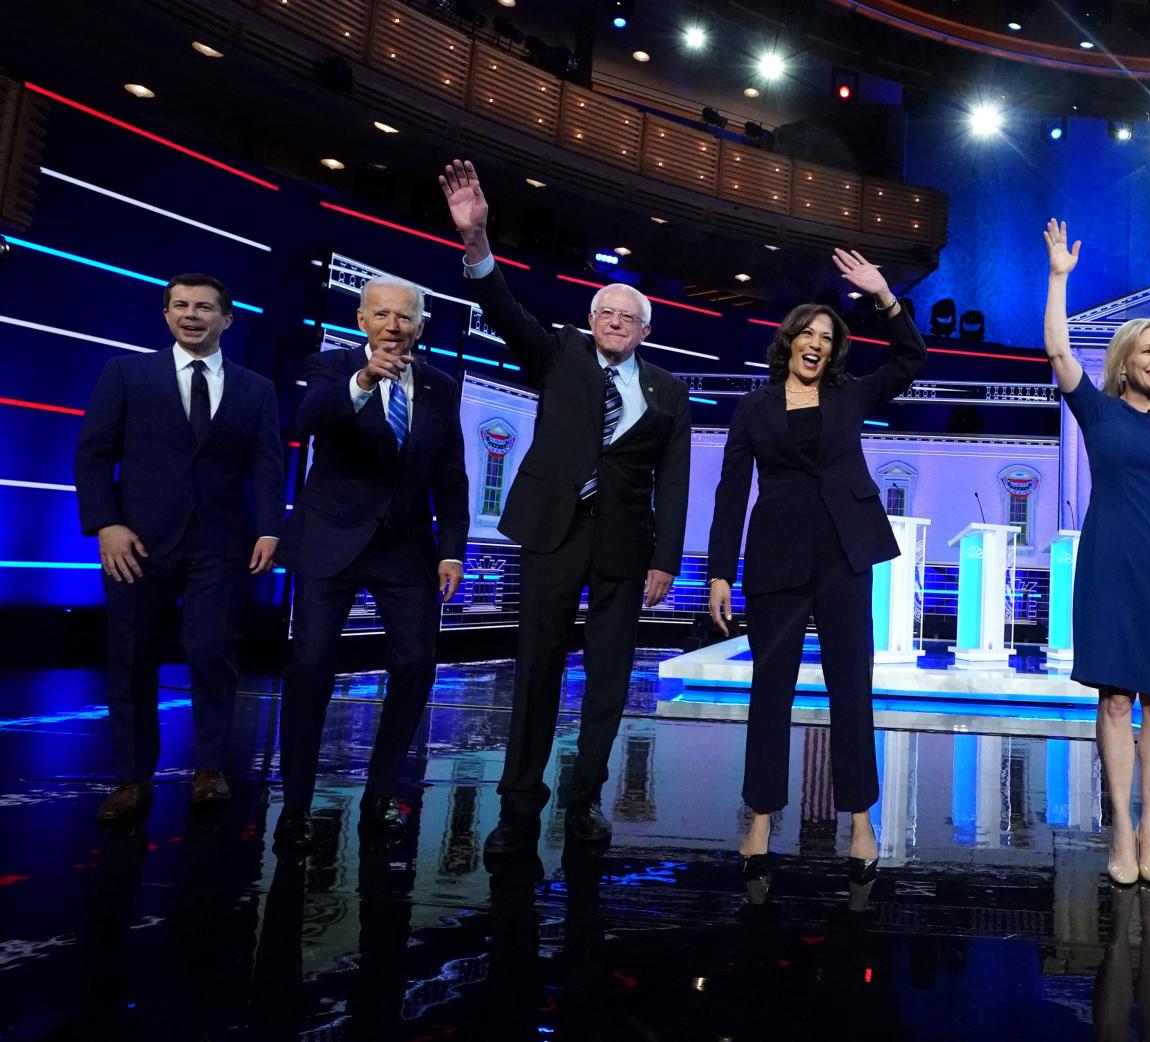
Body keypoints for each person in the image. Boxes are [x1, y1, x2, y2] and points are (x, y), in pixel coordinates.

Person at [439, 160, 691, 854]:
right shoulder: (559, 357)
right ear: (591, 321)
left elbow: (674, 478)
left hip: (623, 546)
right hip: (551, 531)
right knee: (538, 669)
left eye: (627, 318)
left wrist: (666, 559)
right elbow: (503, 310)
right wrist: (477, 241)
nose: (614, 323)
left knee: (608, 681)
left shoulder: (669, 392)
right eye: (605, 314)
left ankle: (585, 802)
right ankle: (518, 806)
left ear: (643, 330)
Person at [706, 249, 927, 905]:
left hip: (841, 556)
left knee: (849, 688)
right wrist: (720, 572)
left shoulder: (851, 396)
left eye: (828, 339)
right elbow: (728, 493)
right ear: (790, 342)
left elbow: (911, 360)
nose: (816, 344)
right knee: (768, 691)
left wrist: (885, 296)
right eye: (808, 334)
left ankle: (860, 820)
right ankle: (762, 818)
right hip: (774, 559)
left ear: (834, 353)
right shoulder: (753, 407)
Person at [1043, 219, 1150, 887]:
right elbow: (1057, 348)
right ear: (1124, 360)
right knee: (1115, 701)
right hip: (1109, 569)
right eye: (1148, 349)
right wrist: (1059, 277)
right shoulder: (1099, 411)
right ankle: (1120, 825)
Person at [74, 274, 283, 822]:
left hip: (220, 542)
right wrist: (105, 525)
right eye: (182, 305)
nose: (193, 314)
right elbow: (94, 455)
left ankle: (209, 771)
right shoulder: (126, 373)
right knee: (132, 659)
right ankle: (130, 780)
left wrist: (269, 528)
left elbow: (267, 463)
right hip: (136, 543)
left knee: (212, 652)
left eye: (206, 307)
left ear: (227, 319)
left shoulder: (256, 389)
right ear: (166, 315)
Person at [273, 275, 470, 850]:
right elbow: (308, 420)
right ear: (362, 321)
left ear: (420, 327)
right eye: (381, 316)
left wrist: (452, 548)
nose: (392, 326)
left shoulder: (439, 385)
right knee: (310, 667)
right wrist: (361, 382)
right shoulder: (331, 367)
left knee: (415, 665)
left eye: (404, 318)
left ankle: (381, 795)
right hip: (330, 539)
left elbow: (450, 474)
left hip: (405, 548)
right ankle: (298, 807)